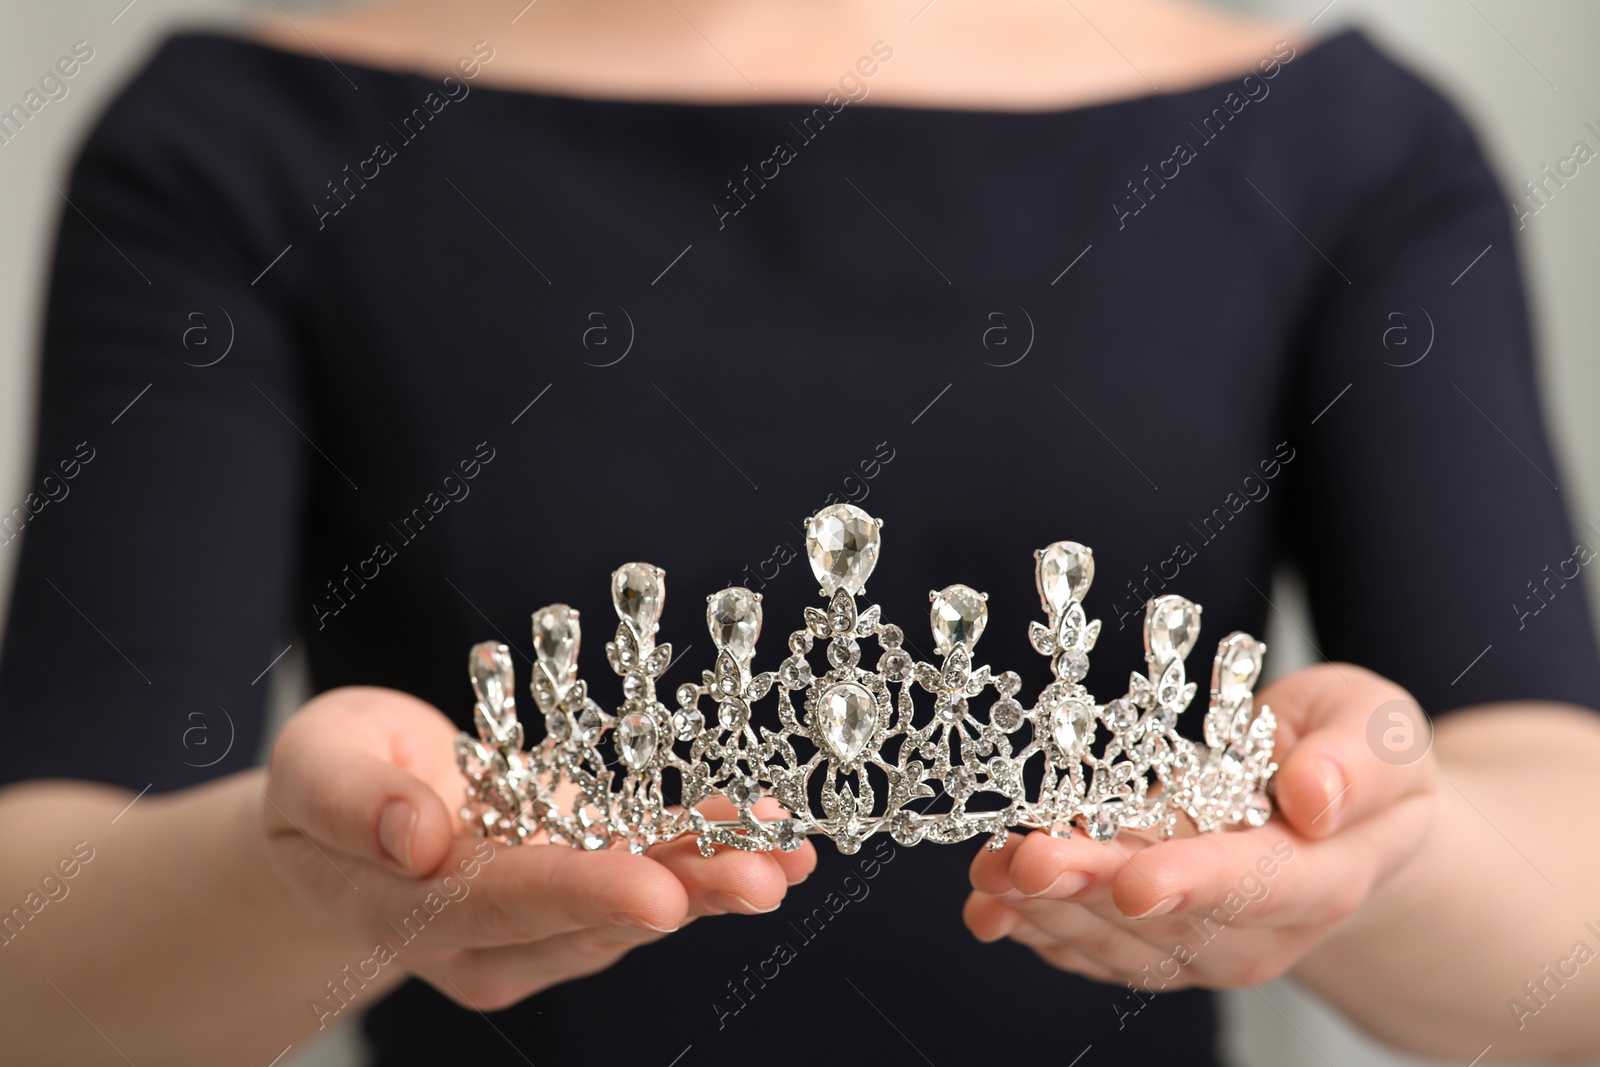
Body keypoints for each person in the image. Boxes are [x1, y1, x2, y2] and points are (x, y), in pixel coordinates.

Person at [3, 0, 1599, 1063]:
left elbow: (1571, 932)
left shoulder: (1346, 145)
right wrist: (307, 881)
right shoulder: (229, 143)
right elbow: (34, 958)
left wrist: (1379, 856)